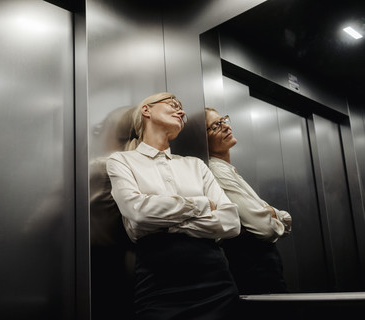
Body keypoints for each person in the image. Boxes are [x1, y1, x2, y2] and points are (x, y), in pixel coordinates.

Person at [106, 92, 241, 320]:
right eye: (173, 104)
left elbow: (231, 222)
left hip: (214, 277)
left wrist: (166, 225)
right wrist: (200, 205)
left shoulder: (195, 165)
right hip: (159, 279)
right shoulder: (121, 161)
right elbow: (137, 212)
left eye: (182, 109)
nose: (182, 111)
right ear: (146, 110)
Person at [205, 107, 292, 295]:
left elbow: (265, 220)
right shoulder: (215, 170)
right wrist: (275, 215)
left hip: (264, 266)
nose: (225, 127)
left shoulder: (228, 170)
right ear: (203, 140)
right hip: (253, 268)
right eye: (215, 126)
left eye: (224, 120)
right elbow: (264, 227)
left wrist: (271, 213)